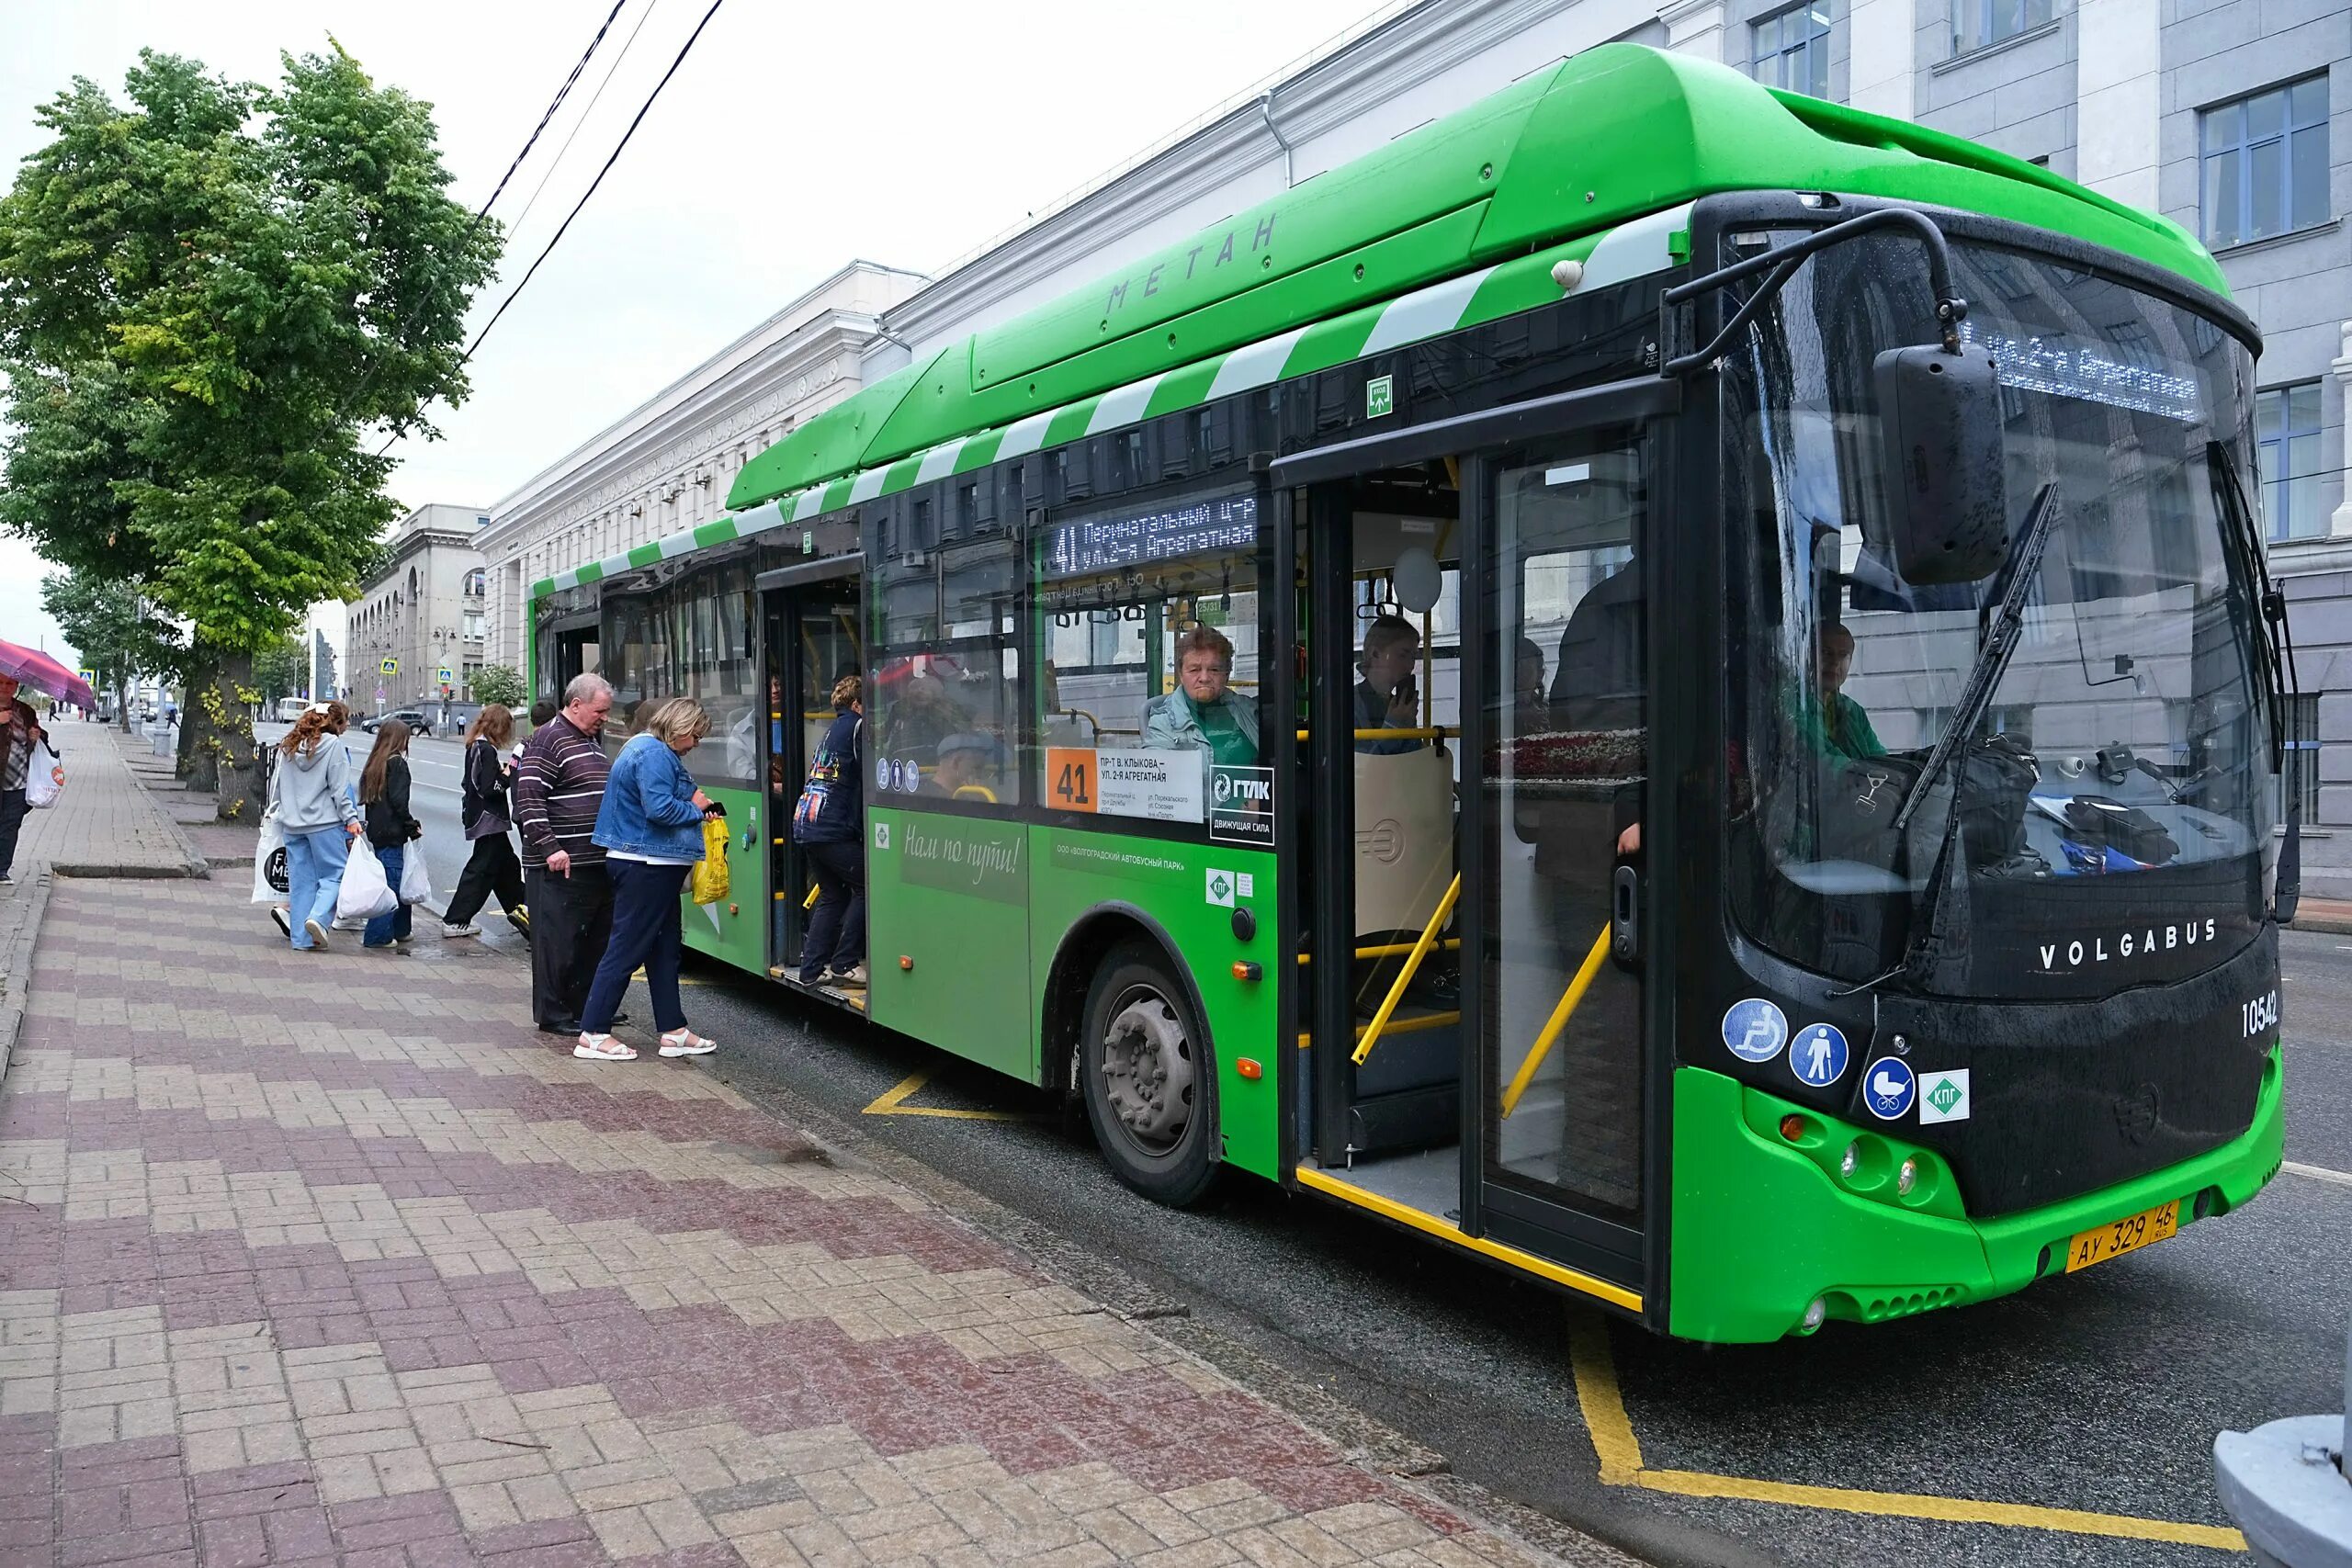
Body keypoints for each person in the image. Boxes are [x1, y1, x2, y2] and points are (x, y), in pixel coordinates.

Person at [572, 699, 721, 1062]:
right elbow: (659, 809)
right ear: (681, 728)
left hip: (651, 863)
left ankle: (673, 1031)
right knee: (626, 949)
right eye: (696, 737)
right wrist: (697, 808)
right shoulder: (654, 753)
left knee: (663, 950)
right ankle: (593, 1033)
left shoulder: (643, 747)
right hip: (647, 863)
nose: (695, 745)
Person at [515, 673, 617, 1035]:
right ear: (576, 705)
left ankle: (583, 1007)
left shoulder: (588, 740)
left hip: (593, 861)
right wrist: (550, 848)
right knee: (557, 942)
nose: (604, 717)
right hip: (561, 863)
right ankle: (554, 1014)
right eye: (600, 710)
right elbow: (528, 796)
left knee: (589, 939)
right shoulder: (548, 739)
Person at [271, 704, 366, 949]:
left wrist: (277, 813)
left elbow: (277, 785)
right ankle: (319, 918)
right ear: (334, 723)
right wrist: (351, 820)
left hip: (292, 824)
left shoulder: (288, 744)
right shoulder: (333, 746)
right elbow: (339, 789)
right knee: (337, 874)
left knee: (301, 882)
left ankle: (301, 941)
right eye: (344, 724)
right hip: (324, 823)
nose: (344, 729)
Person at [792, 675, 865, 987]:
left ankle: (811, 970)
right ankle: (845, 963)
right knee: (869, 885)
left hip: (807, 823)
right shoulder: (857, 727)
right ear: (857, 703)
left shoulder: (832, 730)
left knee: (833, 894)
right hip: (832, 827)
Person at [443, 704, 530, 941]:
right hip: (488, 818)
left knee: (506, 868)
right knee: (481, 870)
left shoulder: (474, 746)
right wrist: (508, 773)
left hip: (481, 817)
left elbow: (470, 783)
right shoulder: (486, 750)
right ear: (499, 727)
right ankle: (456, 920)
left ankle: (522, 912)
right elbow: (491, 789)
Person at [1142, 626, 1258, 764]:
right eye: (1194, 670)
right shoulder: (1163, 723)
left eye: (1214, 670)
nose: (1204, 678)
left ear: (1226, 674)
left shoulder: (1247, 709)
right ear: (1181, 674)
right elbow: (1161, 778)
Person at [358, 722, 423, 951]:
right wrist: (411, 826)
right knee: (392, 884)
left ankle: (401, 929)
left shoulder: (375, 763)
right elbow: (399, 801)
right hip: (393, 831)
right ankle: (378, 935)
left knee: (393, 878)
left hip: (377, 832)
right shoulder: (397, 764)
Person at [0, 676, 61, 887]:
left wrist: (37, 735)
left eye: (9, 684)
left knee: (10, 825)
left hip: (19, 780)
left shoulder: (25, 711)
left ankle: (2, 870)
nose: (5, 687)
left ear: (16, 686)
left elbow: (39, 736)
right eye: (0, 683)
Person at [1796, 620, 1884, 761]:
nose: (1835, 662)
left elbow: (1881, 760)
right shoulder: (1796, 705)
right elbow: (1824, 762)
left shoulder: (1854, 711)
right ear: (1807, 656)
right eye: (1826, 652)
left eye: (1843, 655)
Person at [1353, 615, 1426, 755]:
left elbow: (1414, 758)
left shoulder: (1398, 706)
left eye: (1413, 657)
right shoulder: (1349, 706)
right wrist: (1394, 726)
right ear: (1375, 654)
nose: (1410, 665)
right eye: (1402, 655)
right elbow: (1361, 768)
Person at [916, 732, 1004, 800]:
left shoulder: (962, 795)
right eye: (976, 768)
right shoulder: (931, 799)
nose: (980, 776)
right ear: (956, 762)